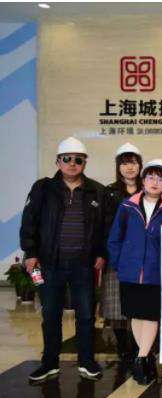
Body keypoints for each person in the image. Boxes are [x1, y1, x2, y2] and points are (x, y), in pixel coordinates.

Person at [20, 137, 105, 382]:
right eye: (67, 158)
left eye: (78, 159)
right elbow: (29, 221)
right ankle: (49, 364)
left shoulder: (97, 191)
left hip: (83, 265)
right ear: (58, 162)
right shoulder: (43, 188)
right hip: (50, 264)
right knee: (51, 315)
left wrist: (101, 254)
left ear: (85, 163)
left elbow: (105, 227)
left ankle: (87, 362)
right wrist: (30, 252)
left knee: (86, 315)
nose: (72, 163)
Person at [108, 159, 162, 385]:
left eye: (160, 179)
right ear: (143, 180)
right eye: (150, 177)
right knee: (135, 315)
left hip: (155, 273)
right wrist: (119, 263)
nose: (155, 182)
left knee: (151, 315)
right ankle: (145, 358)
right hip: (129, 271)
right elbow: (115, 238)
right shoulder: (127, 207)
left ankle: (141, 358)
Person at [101, 142, 142, 364]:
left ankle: (137, 347)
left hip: (141, 257)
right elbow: (103, 226)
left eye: (133, 163)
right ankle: (122, 348)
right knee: (116, 306)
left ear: (140, 166)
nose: (130, 168)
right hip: (116, 256)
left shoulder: (148, 190)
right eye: (125, 164)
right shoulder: (109, 192)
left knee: (137, 304)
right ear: (118, 167)